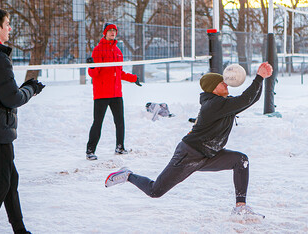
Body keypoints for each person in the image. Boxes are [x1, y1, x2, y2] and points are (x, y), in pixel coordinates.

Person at [104, 62, 273, 215]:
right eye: (222, 82)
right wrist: (258, 77)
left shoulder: (223, 103)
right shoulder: (214, 105)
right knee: (155, 191)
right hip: (189, 155)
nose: (226, 84)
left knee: (240, 160)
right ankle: (128, 175)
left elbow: (250, 100)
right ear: (214, 88)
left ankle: (240, 207)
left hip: (209, 155)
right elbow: (245, 99)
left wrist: (262, 79)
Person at [0, 8, 45, 234]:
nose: (10, 28)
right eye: (7, 24)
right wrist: (31, 88)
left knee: (10, 182)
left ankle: (20, 229)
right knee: (0, 187)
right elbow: (12, 98)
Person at [86, 22, 142, 160]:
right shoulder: (98, 50)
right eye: (110, 30)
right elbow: (94, 74)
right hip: (102, 94)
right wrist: (92, 66)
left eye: (114, 30)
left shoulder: (117, 51)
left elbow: (120, 72)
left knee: (120, 121)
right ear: (104, 33)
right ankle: (90, 151)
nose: (112, 32)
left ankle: (120, 147)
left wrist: (133, 78)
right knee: (98, 122)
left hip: (116, 93)